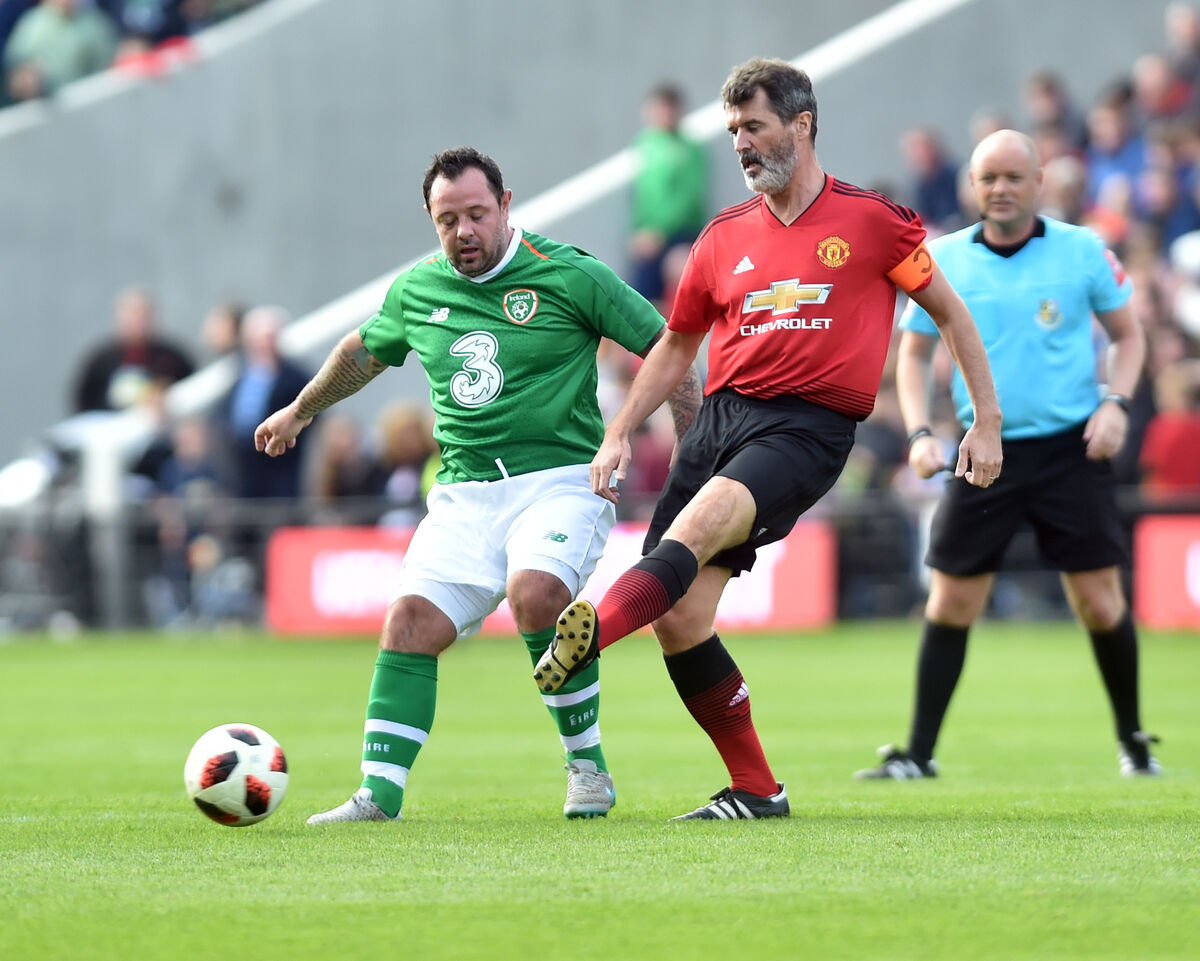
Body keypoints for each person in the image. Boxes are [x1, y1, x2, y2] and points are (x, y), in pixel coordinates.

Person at [534, 58, 1002, 821]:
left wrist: (985, 419)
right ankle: (757, 787)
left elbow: (950, 313)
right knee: (680, 616)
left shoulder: (874, 221)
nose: (742, 144)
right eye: (732, 133)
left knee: (699, 524)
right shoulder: (719, 239)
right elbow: (678, 347)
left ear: (802, 124)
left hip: (807, 426)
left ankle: (592, 634)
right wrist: (620, 430)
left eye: (753, 126)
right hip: (720, 419)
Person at [254, 146, 702, 823]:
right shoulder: (419, 289)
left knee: (537, 593)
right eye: (447, 219)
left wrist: (690, 449)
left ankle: (587, 766)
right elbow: (361, 352)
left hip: (561, 481)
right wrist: (301, 408)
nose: (464, 231)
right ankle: (378, 794)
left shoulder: (570, 274)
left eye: (476, 213)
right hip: (464, 495)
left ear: (505, 205)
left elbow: (671, 346)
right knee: (407, 623)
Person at [854, 129, 1158, 782]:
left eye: (1014, 177)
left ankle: (1134, 743)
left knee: (1100, 602)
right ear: (971, 183)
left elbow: (1130, 338)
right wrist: (918, 433)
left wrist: (1117, 404)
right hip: (981, 450)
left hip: (1069, 447)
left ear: (1039, 183)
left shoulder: (1083, 251)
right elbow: (911, 354)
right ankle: (918, 752)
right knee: (951, 601)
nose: (1000, 189)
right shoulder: (942, 258)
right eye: (988, 177)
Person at [627, 82, 709, 309]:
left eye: (667, 108)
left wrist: (659, 233)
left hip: (678, 235)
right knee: (638, 302)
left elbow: (689, 197)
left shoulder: (689, 148)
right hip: (647, 237)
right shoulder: (645, 144)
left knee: (679, 293)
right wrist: (637, 231)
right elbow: (641, 197)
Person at [72, 285, 195, 413]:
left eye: (143, 316)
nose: (138, 323)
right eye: (132, 315)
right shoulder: (101, 359)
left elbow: (190, 393)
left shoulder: (172, 359)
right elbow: (84, 400)